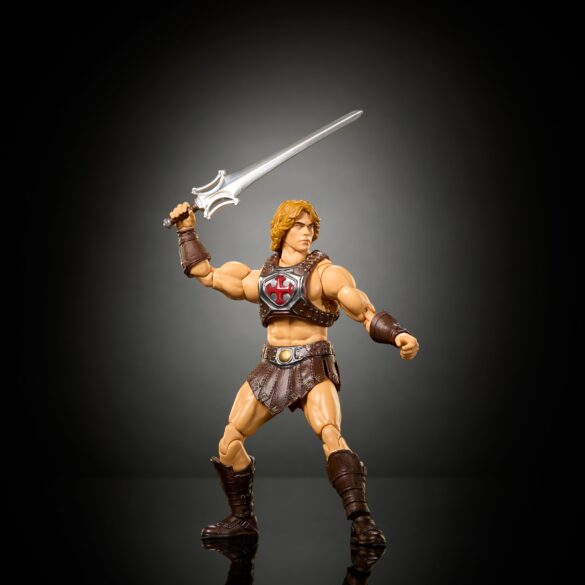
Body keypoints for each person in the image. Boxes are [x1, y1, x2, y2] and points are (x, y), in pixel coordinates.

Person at [170, 199, 419, 547]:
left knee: (330, 434)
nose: (307, 232)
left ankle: (362, 522)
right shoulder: (259, 276)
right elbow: (207, 274)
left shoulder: (326, 274)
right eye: (299, 226)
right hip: (272, 366)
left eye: (311, 227)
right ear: (282, 230)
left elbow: (363, 311)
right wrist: (186, 230)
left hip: (312, 364)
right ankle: (242, 519)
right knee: (229, 443)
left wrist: (397, 334)